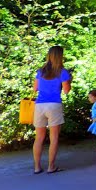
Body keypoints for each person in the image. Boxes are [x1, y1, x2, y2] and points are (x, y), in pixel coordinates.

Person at [33, 45, 71, 174]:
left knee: (39, 138)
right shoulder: (63, 72)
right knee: (53, 138)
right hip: (54, 105)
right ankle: (51, 166)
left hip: (39, 105)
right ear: (60, 56)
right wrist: (69, 81)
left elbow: (35, 88)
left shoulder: (40, 71)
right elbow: (66, 91)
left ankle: (37, 167)